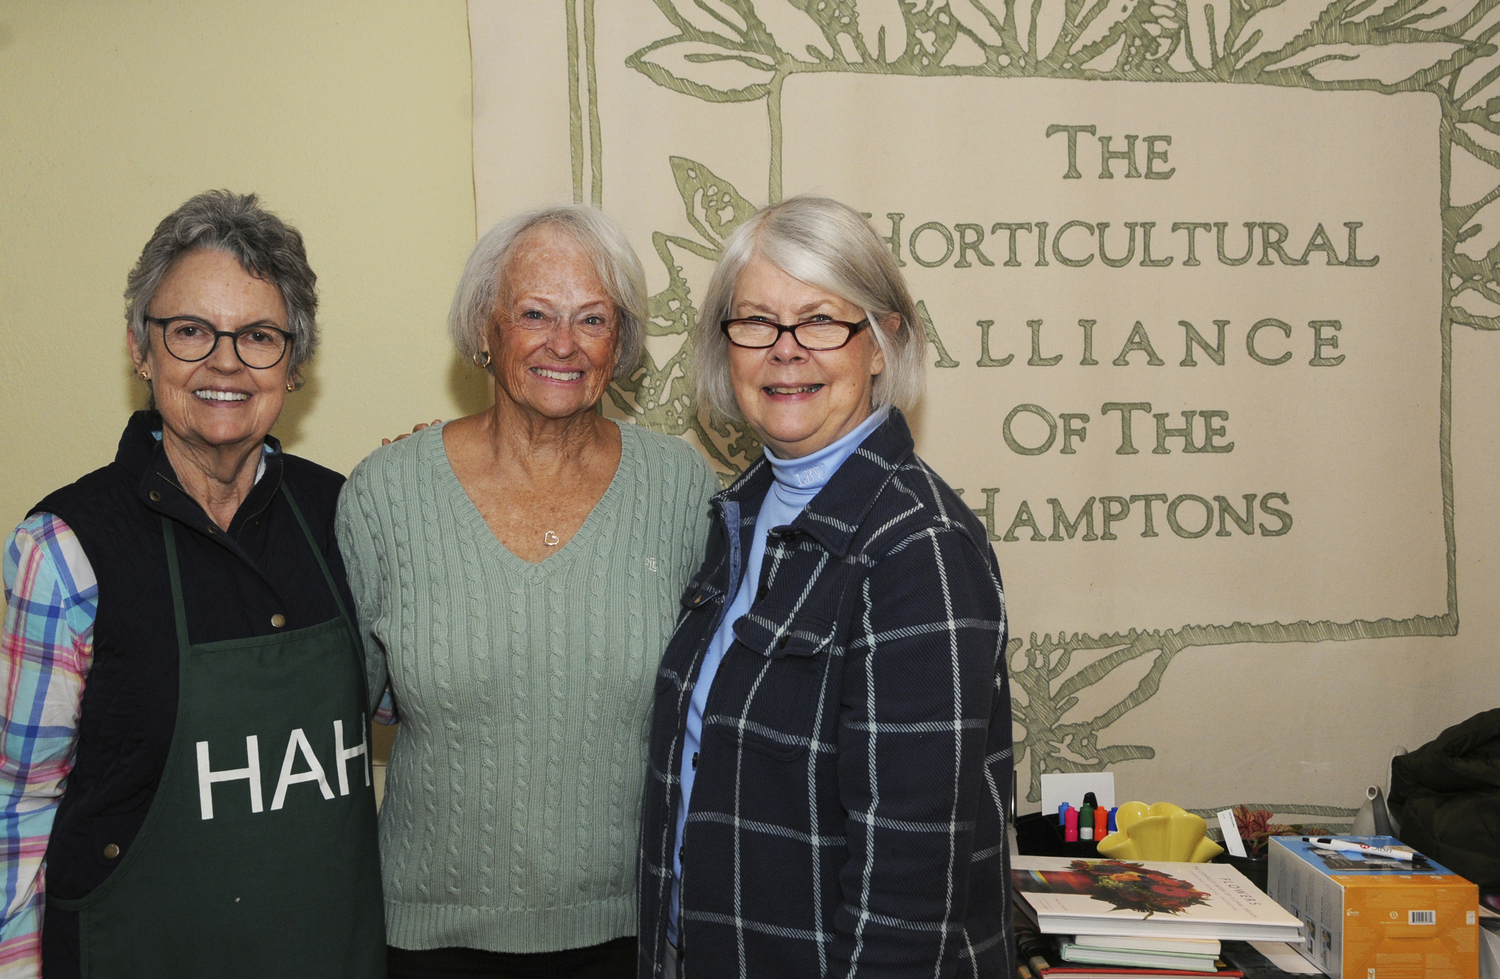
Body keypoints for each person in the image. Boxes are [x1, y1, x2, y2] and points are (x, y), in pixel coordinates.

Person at [0, 190, 385, 977]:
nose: (224, 361)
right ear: (141, 350)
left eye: (259, 336)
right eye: (189, 331)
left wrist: (446, 500)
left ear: (295, 363)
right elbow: (16, 808)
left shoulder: (351, 515)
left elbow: (415, 695)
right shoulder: (63, 548)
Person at [637, 195, 1015, 978]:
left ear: (882, 343)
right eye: (756, 322)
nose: (785, 350)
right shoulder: (744, 513)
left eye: (820, 320)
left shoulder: (918, 547)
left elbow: (907, 901)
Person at [336, 205, 717, 978]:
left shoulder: (682, 490)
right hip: (430, 940)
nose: (563, 344)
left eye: (593, 319)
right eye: (535, 313)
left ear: (623, 341)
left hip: (633, 930)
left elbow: (712, 716)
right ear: (486, 327)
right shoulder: (387, 494)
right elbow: (342, 718)